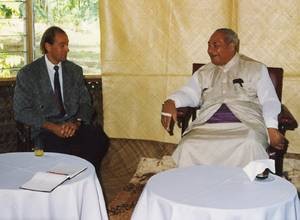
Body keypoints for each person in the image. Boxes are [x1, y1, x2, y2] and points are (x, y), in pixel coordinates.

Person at [161, 28, 285, 168]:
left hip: (246, 124)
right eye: (209, 45)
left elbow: (269, 100)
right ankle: (197, 188)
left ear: (232, 46)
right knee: (188, 145)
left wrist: (272, 128)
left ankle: (246, 188)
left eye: (216, 45)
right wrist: (171, 101)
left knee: (250, 144)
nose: (210, 50)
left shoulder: (255, 68)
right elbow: (189, 93)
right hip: (207, 125)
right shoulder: (204, 72)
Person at [13, 26, 109, 172]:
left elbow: (86, 103)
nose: (67, 49)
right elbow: (21, 111)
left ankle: (87, 179)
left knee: (99, 139)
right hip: (46, 130)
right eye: (62, 45)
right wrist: (53, 127)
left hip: (73, 126)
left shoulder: (74, 71)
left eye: (67, 44)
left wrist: (76, 123)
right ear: (48, 46)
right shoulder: (28, 74)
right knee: (62, 151)